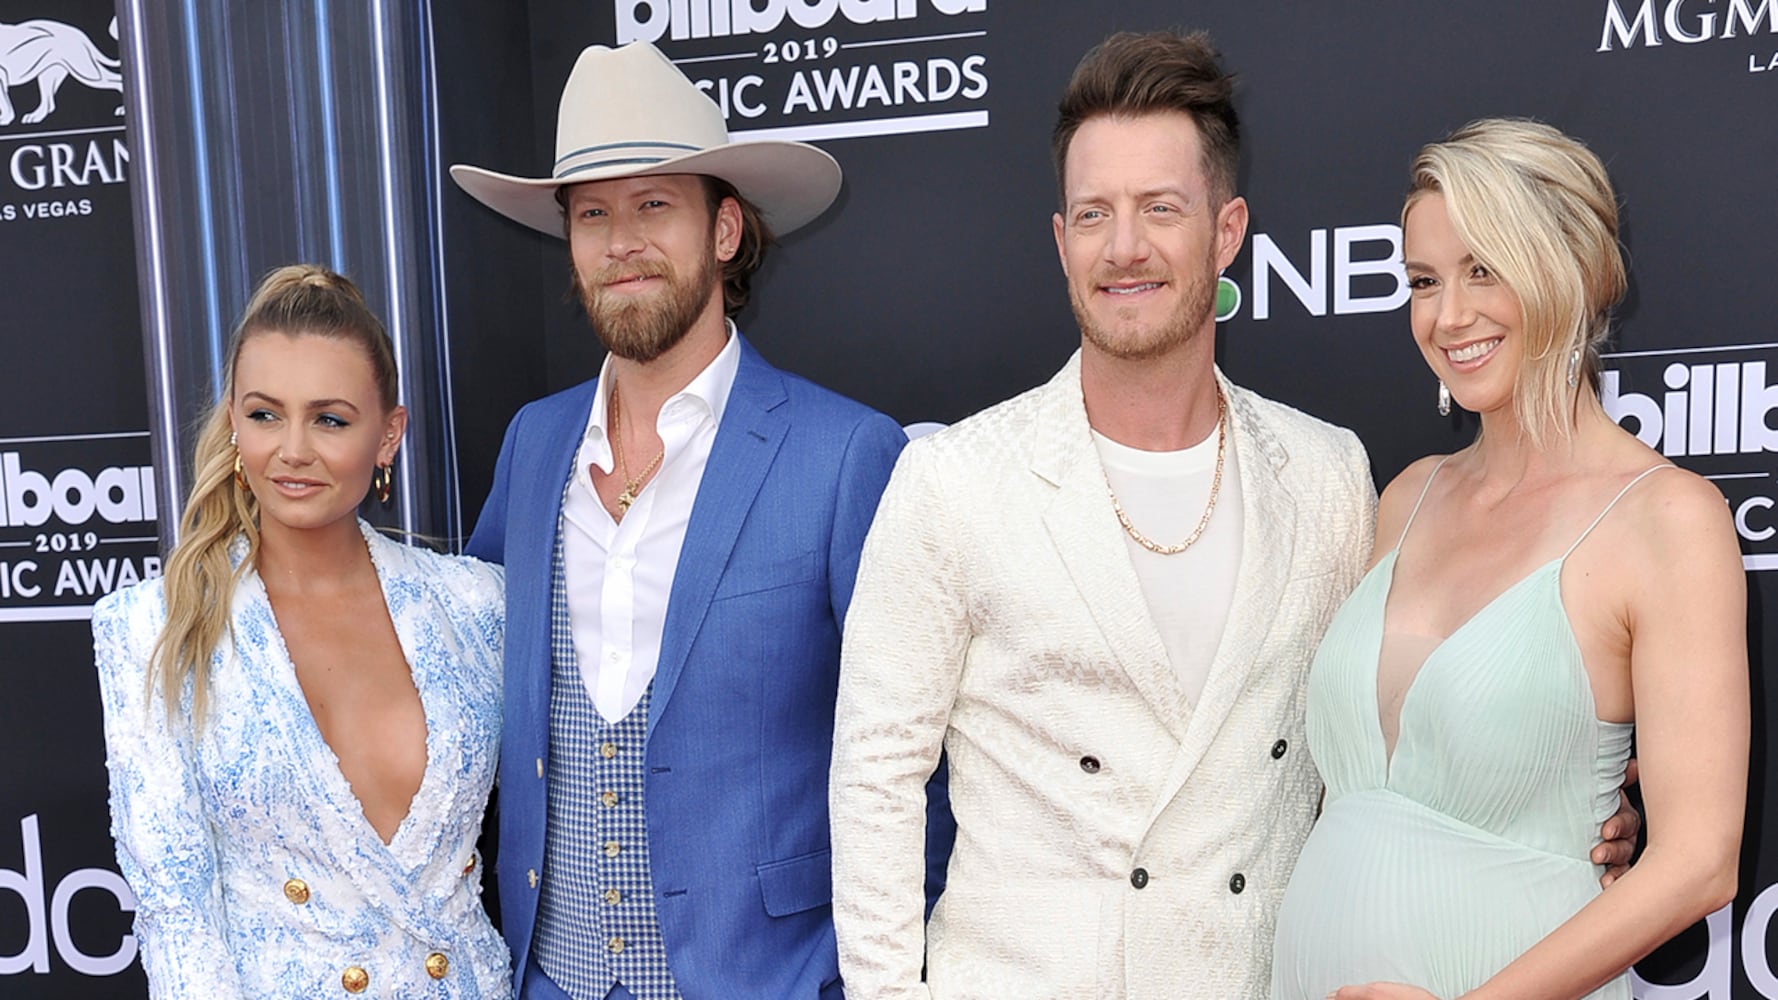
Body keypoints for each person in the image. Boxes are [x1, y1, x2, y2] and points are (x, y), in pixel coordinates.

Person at [829, 33, 1641, 1000]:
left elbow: (1384, 730)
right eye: (1094, 214)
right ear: (1061, 241)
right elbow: (874, 779)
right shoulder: (952, 482)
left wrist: (1549, 807)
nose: (1123, 247)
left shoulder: (1327, 474)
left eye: (1160, 209)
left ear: (1226, 231)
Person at [450, 41, 920, 999]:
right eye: (593, 214)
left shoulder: (845, 455)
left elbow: (921, 766)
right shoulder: (533, 446)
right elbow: (460, 687)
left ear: (726, 229)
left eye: (653, 205)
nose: (620, 241)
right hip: (552, 978)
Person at [1270, 118, 1747, 1000]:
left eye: (1484, 269)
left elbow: (1701, 863)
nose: (1448, 316)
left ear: (1568, 269)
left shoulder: (1669, 520)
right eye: (1423, 280)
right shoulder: (1408, 498)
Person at [92, 265, 511, 998]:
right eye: (263, 414)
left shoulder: (476, 604)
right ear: (232, 420)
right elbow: (177, 914)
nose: (292, 449)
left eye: (330, 419)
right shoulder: (158, 627)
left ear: (388, 435)